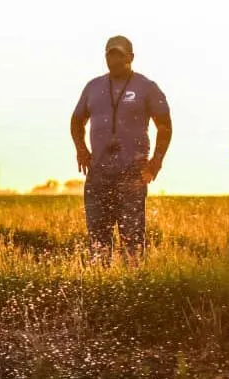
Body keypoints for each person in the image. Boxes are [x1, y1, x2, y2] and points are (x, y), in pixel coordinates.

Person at [70, 34, 172, 260]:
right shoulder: (93, 87)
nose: (114, 61)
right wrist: (81, 149)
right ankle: (103, 287)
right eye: (110, 55)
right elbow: (76, 120)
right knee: (98, 243)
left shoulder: (147, 87)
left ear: (131, 57)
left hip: (132, 176)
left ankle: (134, 287)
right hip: (98, 174)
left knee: (133, 242)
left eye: (119, 56)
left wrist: (156, 162)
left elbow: (164, 125)